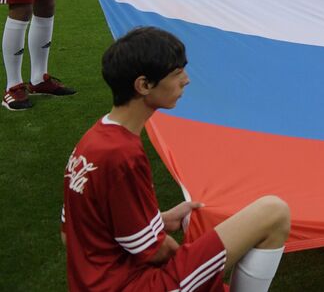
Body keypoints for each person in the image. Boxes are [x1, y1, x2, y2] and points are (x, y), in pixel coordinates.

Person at [64, 26, 290, 291]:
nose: (186, 80)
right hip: (135, 286)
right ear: (143, 85)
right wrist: (193, 260)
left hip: (95, 283)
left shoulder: (91, 141)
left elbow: (71, 234)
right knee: (273, 212)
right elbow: (157, 251)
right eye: (177, 73)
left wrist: (158, 221)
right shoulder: (123, 155)